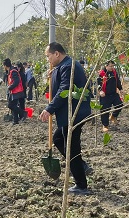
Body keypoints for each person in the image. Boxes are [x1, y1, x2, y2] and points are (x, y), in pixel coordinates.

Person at [40, 43, 93, 195]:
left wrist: (49, 109)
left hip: (74, 113)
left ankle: (81, 184)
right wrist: (53, 74)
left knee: (71, 148)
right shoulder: (64, 65)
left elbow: (65, 89)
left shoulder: (69, 66)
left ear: (56, 53)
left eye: (48, 56)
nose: (48, 59)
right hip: (70, 114)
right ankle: (81, 167)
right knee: (59, 139)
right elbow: (63, 82)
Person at [98, 60, 124, 132]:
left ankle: (113, 116)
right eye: (110, 66)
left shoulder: (114, 72)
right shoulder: (102, 73)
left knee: (120, 105)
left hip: (114, 94)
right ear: (106, 66)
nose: (112, 67)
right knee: (105, 110)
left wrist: (120, 89)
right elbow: (98, 83)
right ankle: (105, 125)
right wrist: (100, 91)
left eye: (113, 66)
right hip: (105, 95)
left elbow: (117, 81)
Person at [4, 59, 25, 124]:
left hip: (16, 91)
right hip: (14, 91)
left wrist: (10, 87)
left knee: (11, 105)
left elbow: (17, 81)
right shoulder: (11, 70)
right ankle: (15, 120)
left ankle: (23, 113)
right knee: (14, 105)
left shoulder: (13, 71)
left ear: (5, 65)